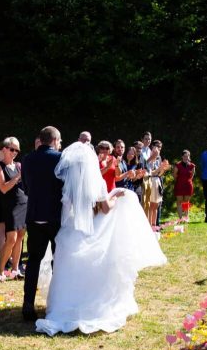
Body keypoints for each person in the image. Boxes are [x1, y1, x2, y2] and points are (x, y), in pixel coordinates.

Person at [35, 142, 166, 336]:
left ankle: (64, 307)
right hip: (89, 229)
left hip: (69, 232)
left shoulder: (66, 184)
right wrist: (116, 196)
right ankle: (94, 307)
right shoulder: (97, 182)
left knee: (68, 271)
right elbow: (105, 208)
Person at [20, 126, 64, 322]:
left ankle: (28, 303)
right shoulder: (60, 159)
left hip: (34, 215)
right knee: (58, 261)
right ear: (54, 140)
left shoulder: (27, 159)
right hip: (55, 217)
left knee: (33, 261)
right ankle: (56, 302)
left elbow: (26, 187)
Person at [0, 137, 27, 278]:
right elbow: (3, 188)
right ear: (4, 149)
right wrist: (18, 177)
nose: (15, 152)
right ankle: (1, 270)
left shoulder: (18, 165)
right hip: (10, 206)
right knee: (11, 238)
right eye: (12, 149)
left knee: (20, 237)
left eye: (17, 150)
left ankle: (15, 269)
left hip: (24, 202)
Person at [172, 149, 195, 220]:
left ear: (189, 157)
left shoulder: (192, 166)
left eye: (187, 156)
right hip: (179, 185)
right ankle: (180, 218)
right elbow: (174, 175)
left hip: (188, 185)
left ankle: (186, 217)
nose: (186, 158)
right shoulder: (177, 165)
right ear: (182, 157)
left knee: (186, 202)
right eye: (185, 156)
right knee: (179, 201)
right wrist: (179, 180)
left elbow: (192, 176)